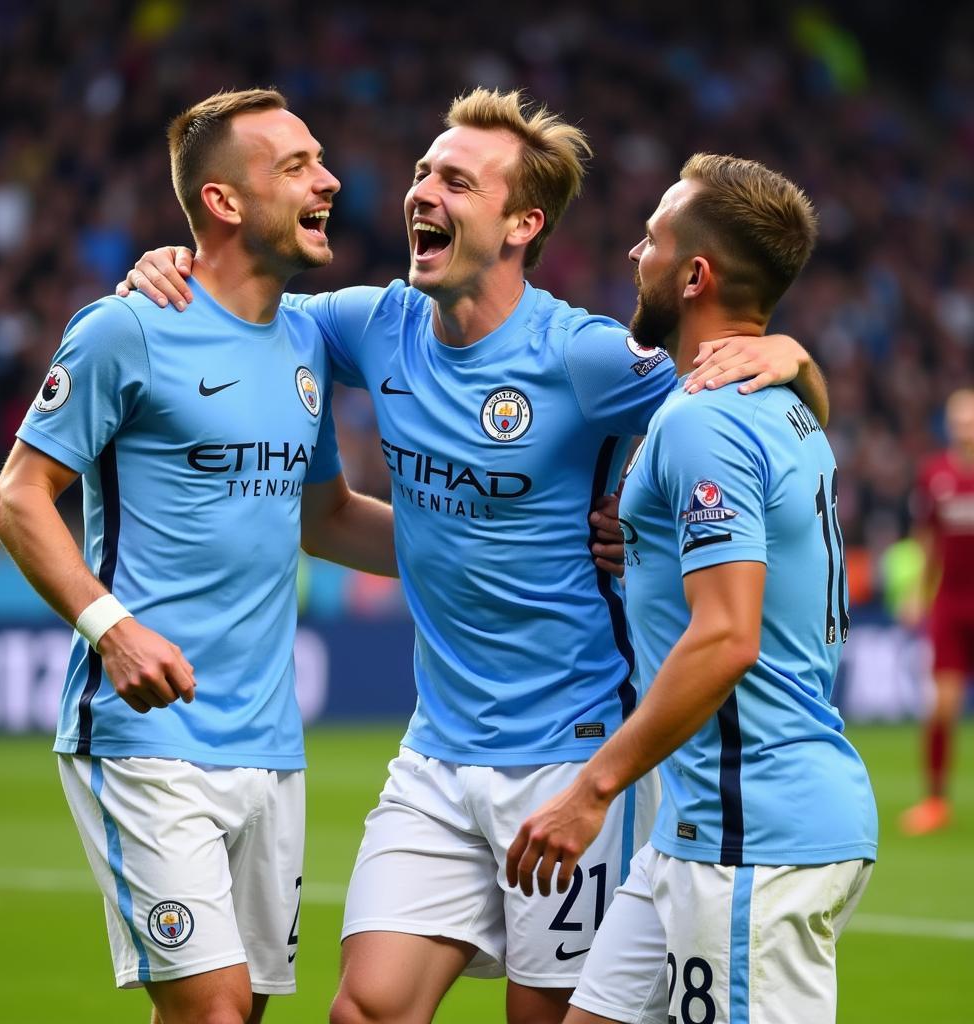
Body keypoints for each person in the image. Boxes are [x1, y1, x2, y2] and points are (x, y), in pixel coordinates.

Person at [120, 90, 829, 1024]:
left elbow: (751, 425)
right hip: (437, 752)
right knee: (363, 1011)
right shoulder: (370, 324)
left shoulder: (587, 357)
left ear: (522, 224)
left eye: (457, 180)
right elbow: (248, 304)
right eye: (423, 171)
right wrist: (177, 259)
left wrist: (793, 357)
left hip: (574, 751)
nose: (423, 192)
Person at [0, 89, 396, 1024]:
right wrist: (113, 631)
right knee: (211, 1011)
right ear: (223, 202)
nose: (328, 179)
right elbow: (18, 498)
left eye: (321, 160)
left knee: (241, 1010)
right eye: (295, 165)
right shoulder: (125, 327)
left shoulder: (303, 340)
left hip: (270, 742)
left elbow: (326, 516)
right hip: (146, 729)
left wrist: (487, 549)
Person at [507, 153, 878, 1024]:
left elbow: (726, 637)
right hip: (695, 826)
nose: (635, 251)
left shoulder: (704, 419)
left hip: (754, 831)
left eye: (653, 238)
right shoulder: (781, 399)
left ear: (695, 274)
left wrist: (590, 790)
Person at [900, 387, 974, 835]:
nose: (966, 427)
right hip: (951, 603)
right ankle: (934, 801)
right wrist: (917, 593)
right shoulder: (936, 474)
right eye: (960, 419)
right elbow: (927, 541)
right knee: (942, 707)